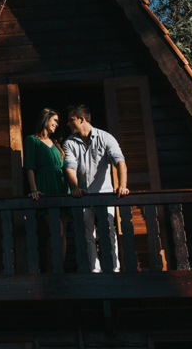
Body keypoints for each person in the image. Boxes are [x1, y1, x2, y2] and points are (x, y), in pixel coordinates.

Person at [62, 104, 129, 272]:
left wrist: (122, 186)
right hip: (83, 197)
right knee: (87, 234)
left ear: (81, 119)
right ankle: (94, 270)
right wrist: (75, 187)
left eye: (71, 120)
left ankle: (114, 269)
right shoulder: (69, 142)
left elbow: (120, 162)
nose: (68, 124)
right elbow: (70, 167)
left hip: (104, 195)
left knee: (108, 231)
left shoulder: (106, 138)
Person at [25, 108, 68, 199]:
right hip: (44, 184)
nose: (57, 124)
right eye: (55, 120)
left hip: (61, 185)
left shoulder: (56, 143)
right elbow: (29, 167)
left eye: (58, 122)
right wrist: (34, 190)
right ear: (46, 119)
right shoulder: (32, 140)